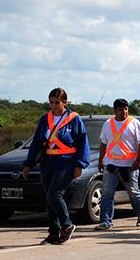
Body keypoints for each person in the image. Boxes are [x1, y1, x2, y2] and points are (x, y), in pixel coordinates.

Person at [23, 87, 90, 244]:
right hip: (47, 162)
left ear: (65, 102)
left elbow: (82, 142)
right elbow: (36, 143)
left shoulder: (74, 119)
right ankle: (53, 233)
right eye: (51, 102)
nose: (53, 105)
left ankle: (67, 225)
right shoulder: (45, 119)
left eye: (57, 102)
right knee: (49, 199)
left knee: (54, 194)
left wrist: (79, 164)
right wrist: (28, 164)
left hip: (66, 162)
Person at [95, 99, 140, 230]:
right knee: (107, 193)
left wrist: (137, 160)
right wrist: (101, 161)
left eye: (126, 109)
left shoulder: (134, 123)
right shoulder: (108, 124)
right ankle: (106, 221)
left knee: (133, 192)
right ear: (115, 110)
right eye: (121, 109)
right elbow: (103, 144)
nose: (124, 112)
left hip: (129, 166)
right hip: (111, 164)